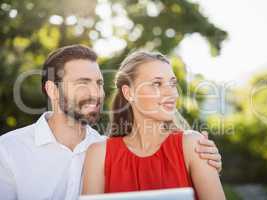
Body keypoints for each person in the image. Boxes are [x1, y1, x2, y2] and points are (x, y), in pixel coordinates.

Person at [0, 45, 222, 200]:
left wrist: (206, 163)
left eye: (98, 83)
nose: (96, 93)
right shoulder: (8, 150)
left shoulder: (98, 147)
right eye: (83, 82)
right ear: (52, 90)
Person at [82, 51, 226, 200]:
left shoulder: (193, 145)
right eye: (157, 83)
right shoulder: (98, 154)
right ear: (129, 92)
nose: (172, 93)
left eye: (172, 83)